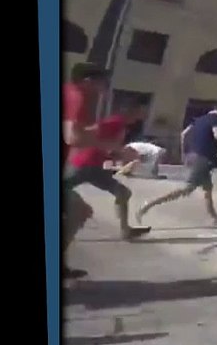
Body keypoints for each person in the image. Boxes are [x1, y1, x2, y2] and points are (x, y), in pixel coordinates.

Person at [63, 89, 152, 243]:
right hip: (86, 164)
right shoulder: (115, 121)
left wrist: (118, 153)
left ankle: (125, 231)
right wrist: (120, 150)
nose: (144, 115)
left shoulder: (121, 124)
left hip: (95, 167)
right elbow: (91, 134)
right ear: (132, 110)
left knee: (123, 193)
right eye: (142, 111)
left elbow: (107, 147)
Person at [135, 103, 217, 225]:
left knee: (208, 187)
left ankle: (214, 216)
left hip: (192, 155)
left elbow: (183, 134)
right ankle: (146, 206)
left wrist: (183, 152)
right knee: (186, 189)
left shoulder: (199, 119)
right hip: (203, 158)